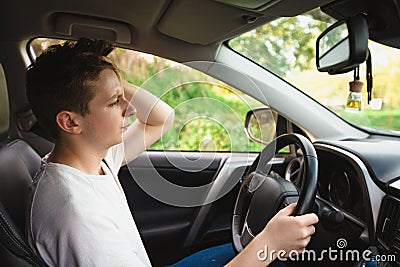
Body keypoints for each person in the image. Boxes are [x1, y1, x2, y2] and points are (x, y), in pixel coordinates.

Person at [25, 38, 318, 267]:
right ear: (70, 121)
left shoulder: (95, 159)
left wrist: (107, 79)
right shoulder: (76, 214)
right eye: (115, 102)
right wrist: (269, 244)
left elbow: (161, 118)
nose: (130, 106)